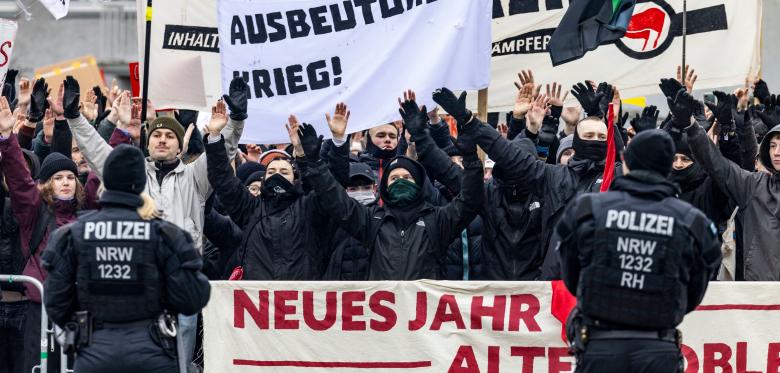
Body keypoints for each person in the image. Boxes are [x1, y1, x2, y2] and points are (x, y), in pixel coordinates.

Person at [65, 75, 245, 368]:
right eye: (157, 136)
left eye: (169, 136)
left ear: (180, 145)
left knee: (182, 346)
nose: (162, 139)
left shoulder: (195, 178)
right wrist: (74, 117)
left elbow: (222, 152)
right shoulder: (131, 176)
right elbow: (96, 151)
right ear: (148, 143)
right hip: (137, 279)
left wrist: (235, 120)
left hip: (180, 278)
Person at [555, 129, 721, 373]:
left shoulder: (588, 209)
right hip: (657, 349)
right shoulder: (692, 222)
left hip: (601, 347)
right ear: (668, 168)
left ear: (627, 160)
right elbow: (694, 293)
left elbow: (570, 276)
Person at [42, 144, 211, 373]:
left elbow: (55, 301)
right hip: (152, 353)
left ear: (107, 182)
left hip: (95, 353)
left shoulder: (72, 234)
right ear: (141, 185)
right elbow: (193, 297)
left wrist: (84, 326)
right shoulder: (166, 235)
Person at [298, 91, 484, 280]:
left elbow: (471, 199)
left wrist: (469, 156)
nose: (401, 181)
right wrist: (315, 163)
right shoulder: (371, 220)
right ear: (384, 187)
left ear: (419, 185)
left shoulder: (437, 220)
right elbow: (334, 199)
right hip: (382, 308)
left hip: (423, 308)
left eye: (407, 177)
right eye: (394, 178)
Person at [0, 94, 86, 372]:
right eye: (58, 178)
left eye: (70, 177)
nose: (65, 182)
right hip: (40, 312)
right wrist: (6, 137)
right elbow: (18, 178)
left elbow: (104, 169)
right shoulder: (35, 211)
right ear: (46, 184)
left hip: (78, 313)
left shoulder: (86, 217)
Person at [666, 84, 780, 280]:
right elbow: (715, 163)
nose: (777, 152)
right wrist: (691, 125)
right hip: (760, 298)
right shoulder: (753, 185)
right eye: (772, 145)